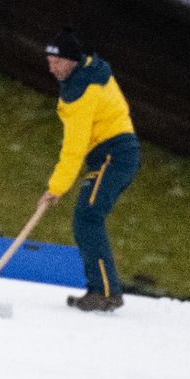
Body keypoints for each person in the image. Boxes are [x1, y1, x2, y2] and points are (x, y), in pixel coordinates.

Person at [41, 28, 140, 312]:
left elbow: (74, 147)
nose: (51, 68)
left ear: (72, 60)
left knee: (88, 218)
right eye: (49, 61)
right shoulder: (89, 74)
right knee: (87, 218)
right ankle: (102, 290)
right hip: (111, 155)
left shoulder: (82, 92)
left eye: (57, 62)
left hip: (113, 156)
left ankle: (105, 293)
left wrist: (56, 188)